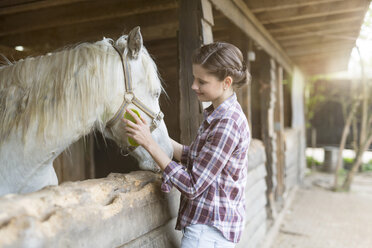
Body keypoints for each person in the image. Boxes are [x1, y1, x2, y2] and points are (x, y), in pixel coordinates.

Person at [123, 42, 251, 248]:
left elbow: (193, 186)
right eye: (194, 78)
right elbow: (198, 157)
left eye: (202, 81)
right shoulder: (220, 115)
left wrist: (149, 144)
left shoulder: (227, 123)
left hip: (207, 234)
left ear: (226, 82)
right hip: (208, 231)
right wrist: (156, 136)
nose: (194, 86)